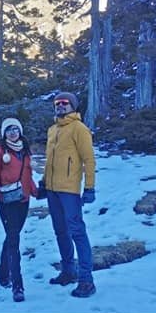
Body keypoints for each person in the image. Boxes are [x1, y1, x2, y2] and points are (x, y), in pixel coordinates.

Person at [35, 91, 97, 298]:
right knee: (60, 232)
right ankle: (68, 271)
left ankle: (86, 280)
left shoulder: (80, 129)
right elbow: (49, 161)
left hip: (69, 191)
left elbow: (89, 160)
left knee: (77, 232)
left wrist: (89, 187)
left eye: (65, 103)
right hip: (52, 190)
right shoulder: (52, 130)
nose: (60, 106)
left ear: (73, 106)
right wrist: (44, 183)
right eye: (57, 103)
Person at [0, 116, 38, 302]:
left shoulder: (25, 150)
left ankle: (3, 274)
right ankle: (17, 286)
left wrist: (38, 192)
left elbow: (28, 175)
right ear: (4, 133)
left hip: (23, 200)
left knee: (12, 237)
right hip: (7, 202)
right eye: (9, 130)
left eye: (16, 129)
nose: (13, 132)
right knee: (14, 240)